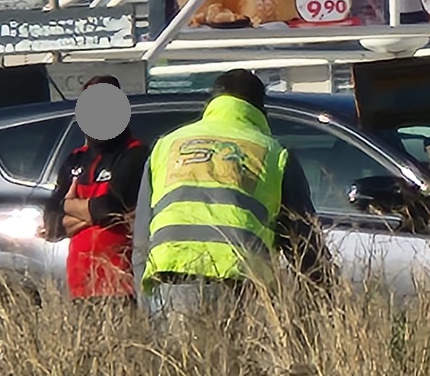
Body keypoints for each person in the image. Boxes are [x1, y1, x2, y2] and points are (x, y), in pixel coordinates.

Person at [133, 69, 332, 327]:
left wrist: (144, 297)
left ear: (211, 103)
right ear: (262, 110)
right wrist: (326, 292)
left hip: (170, 281)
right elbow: (303, 241)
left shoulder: (167, 145)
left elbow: (140, 237)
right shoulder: (273, 153)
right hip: (238, 284)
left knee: (178, 366)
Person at [43, 75, 149, 305]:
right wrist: (91, 214)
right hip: (79, 286)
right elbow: (51, 224)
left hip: (121, 284)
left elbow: (110, 208)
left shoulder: (135, 154)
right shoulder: (75, 158)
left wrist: (68, 205)